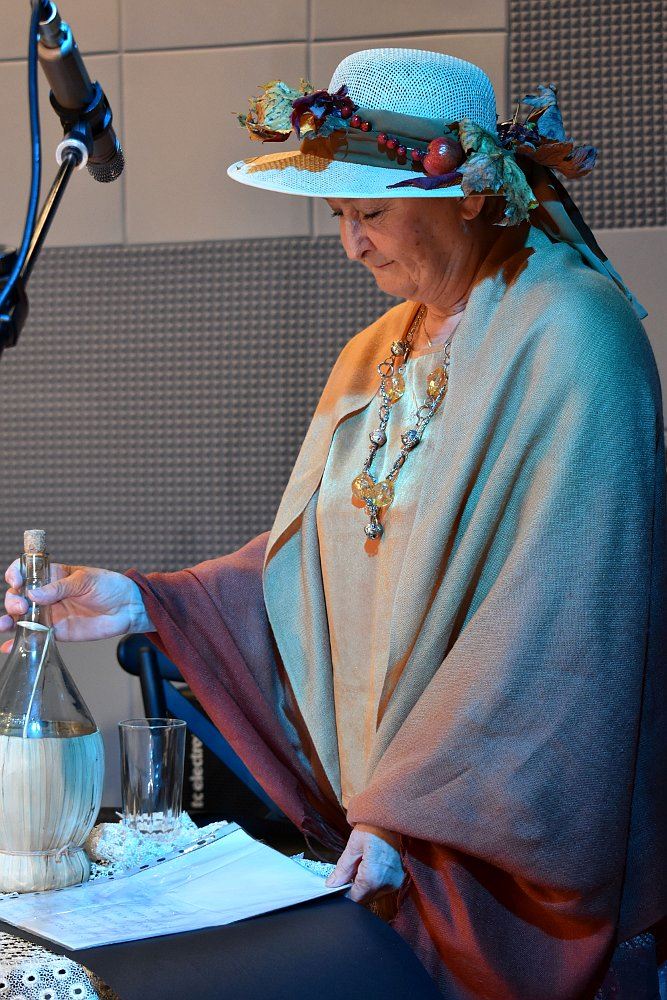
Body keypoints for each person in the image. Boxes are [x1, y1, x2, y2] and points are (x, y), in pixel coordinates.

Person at [1, 49, 665, 1000]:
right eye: (337, 215)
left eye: (371, 213)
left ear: (469, 193)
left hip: (482, 846)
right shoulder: (376, 348)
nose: (352, 245)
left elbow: (560, 628)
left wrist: (408, 813)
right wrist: (145, 602)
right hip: (384, 837)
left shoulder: (574, 334)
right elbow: (312, 570)